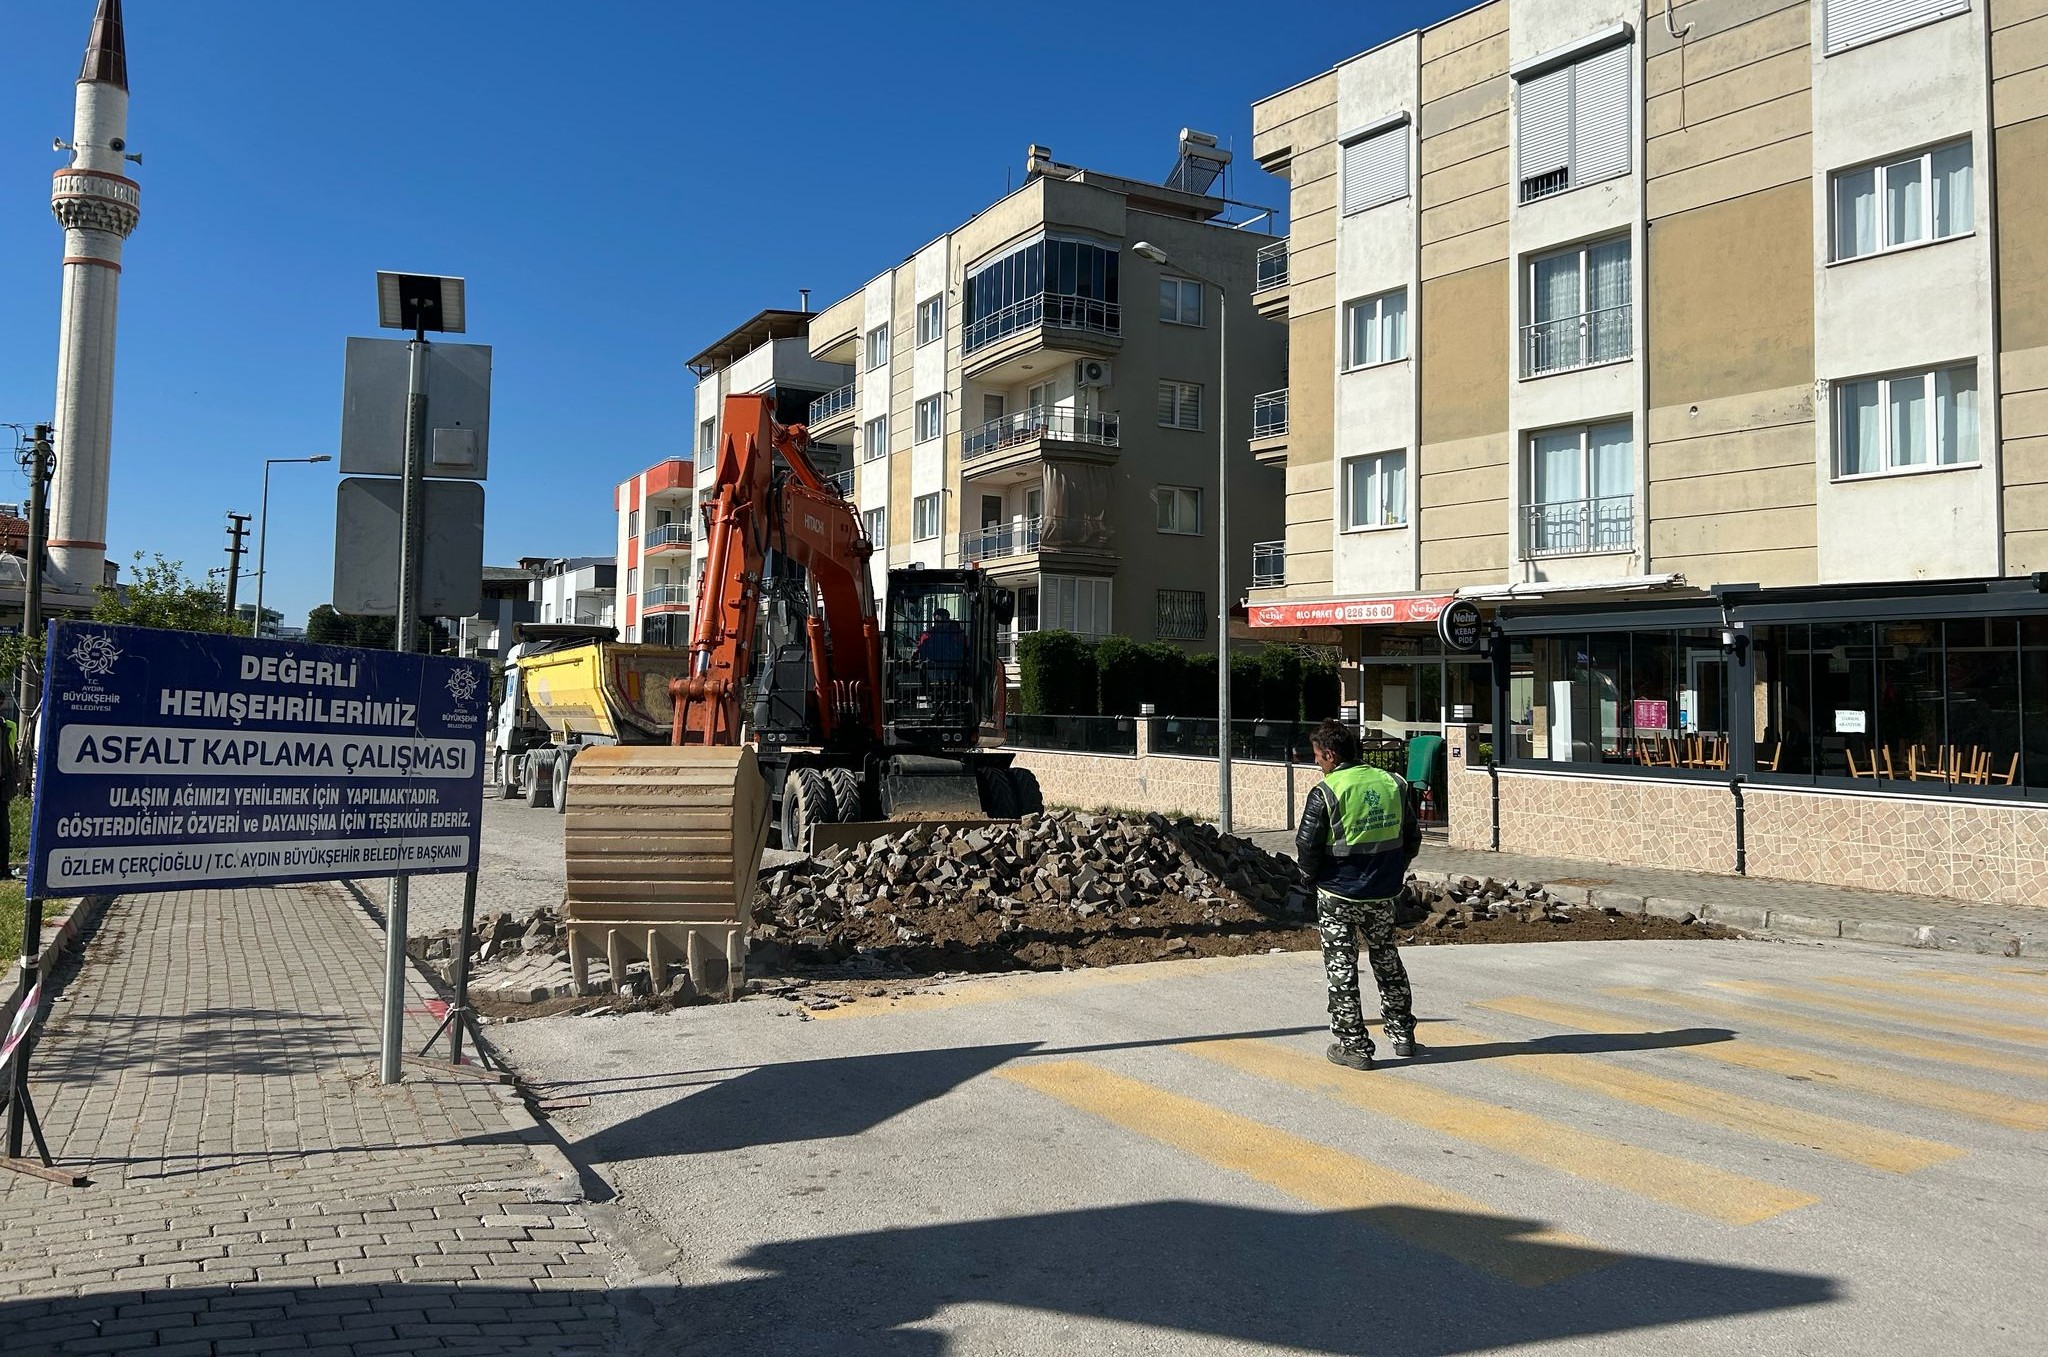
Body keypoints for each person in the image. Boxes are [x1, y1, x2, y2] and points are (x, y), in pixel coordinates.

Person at [1295, 719, 1421, 1070]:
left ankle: (1354, 1046)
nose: (1317, 763)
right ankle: (1402, 1034)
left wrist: (1307, 879)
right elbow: (1411, 837)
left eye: (1318, 757)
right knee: (1386, 958)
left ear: (1331, 755)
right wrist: (1393, 868)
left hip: (1338, 894)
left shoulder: (1328, 791)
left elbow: (1307, 845)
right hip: (1383, 893)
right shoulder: (1392, 782)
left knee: (1342, 966)